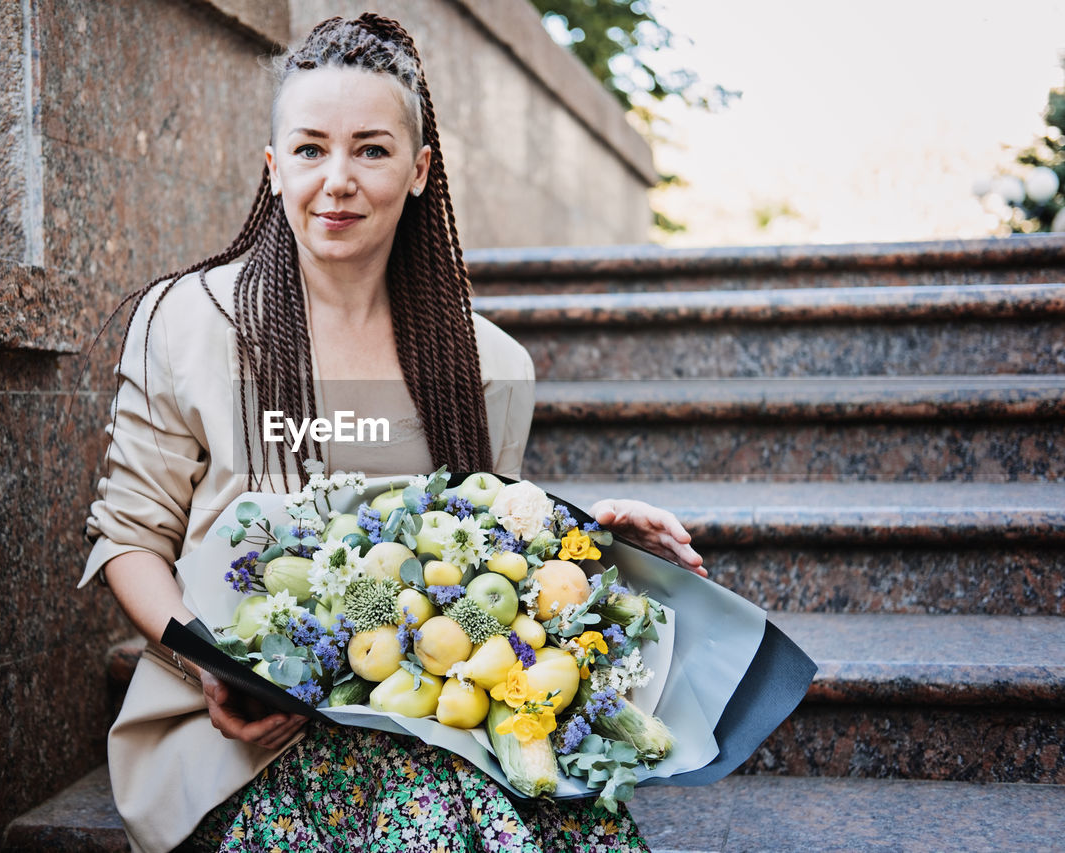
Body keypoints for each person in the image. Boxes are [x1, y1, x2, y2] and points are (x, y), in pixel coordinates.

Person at [82, 13, 704, 853]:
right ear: (273, 170)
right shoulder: (188, 323)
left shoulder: (487, 363)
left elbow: (485, 555)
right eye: (309, 150)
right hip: (243, 724)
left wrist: (591, 543)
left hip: (430, 720)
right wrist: (211, 666)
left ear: (418, 172)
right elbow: (128, 538)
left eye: (370, 150)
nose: (336, 179)